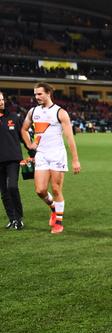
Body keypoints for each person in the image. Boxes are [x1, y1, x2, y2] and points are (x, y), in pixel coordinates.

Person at [21, 82, 81, 234]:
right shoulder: (33, 111)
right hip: (41, 154)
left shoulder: (60, 112)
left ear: (48, 93)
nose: (37, 97)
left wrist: (75, 159)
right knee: (40, 190)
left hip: (57, 155)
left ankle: (58, 222)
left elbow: (70, 138)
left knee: (55, 189)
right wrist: (29, 145)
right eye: (35, 94)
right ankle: (53, 208)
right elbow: (24, 129)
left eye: (40, 94)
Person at [0, 91, 26, 230]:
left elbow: (24, 137)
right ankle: (12, 219)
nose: (1, 102)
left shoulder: (14, 117)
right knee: (4, 192)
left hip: (13, 160)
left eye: (2, 99)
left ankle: (19, 218)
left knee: (12, 187)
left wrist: (32, 152)